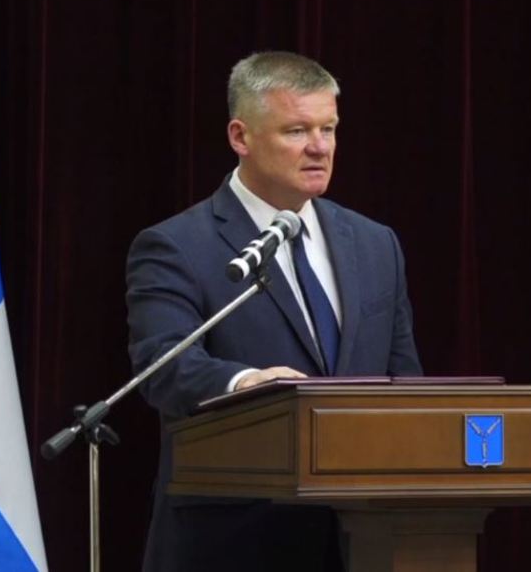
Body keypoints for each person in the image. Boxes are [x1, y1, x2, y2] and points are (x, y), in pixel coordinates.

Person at [125, 51, 423, 572]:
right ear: (240, 137)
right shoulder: (177, 246)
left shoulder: (376, 244)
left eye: (329, 129)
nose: (319, 147)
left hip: (362, 538)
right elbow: (164, 366)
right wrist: (247, 383)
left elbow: (405, 382)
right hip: (235, 543)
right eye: (297, 130)